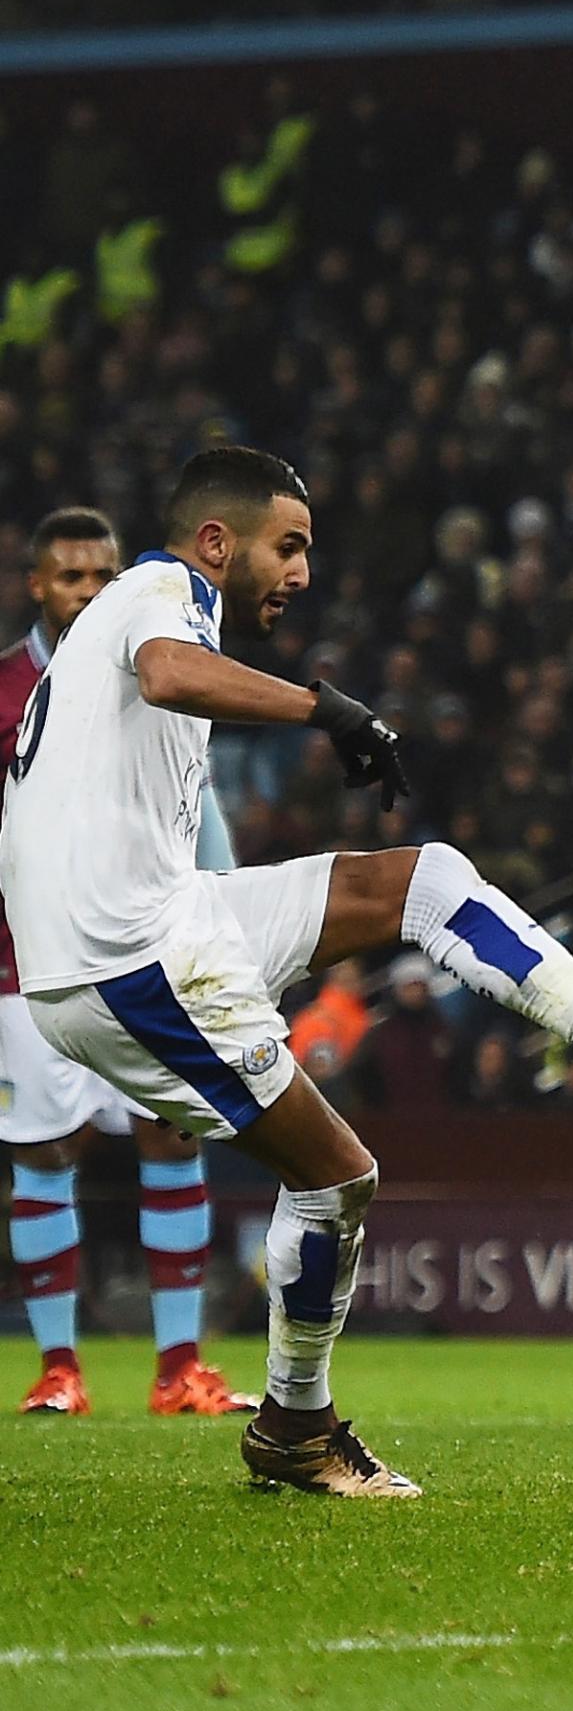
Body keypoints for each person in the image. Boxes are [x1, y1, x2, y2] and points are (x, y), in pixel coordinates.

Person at [0, 447, 573, 1496]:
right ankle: (297, 1427)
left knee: (421, 880)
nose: (303, 573)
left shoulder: (109, 637)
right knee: (338, 1178)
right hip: (125, 960)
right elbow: (169, 672)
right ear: (215, 543)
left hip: (159, 918)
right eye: (288, 547)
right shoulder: (158, 590)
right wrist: (323, 709)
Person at [3, 508, 254, 1418]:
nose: (88, 591)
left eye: (103, 574)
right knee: (42, 1151)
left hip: (147, 949)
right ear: (37, 584)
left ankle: (178, 1367)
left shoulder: (148, 667)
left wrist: (223, 915)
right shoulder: (7, 689)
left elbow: (196, 805)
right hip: (25, 964)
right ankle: (59, 1369)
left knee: (171, 1133)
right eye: (71, 576)